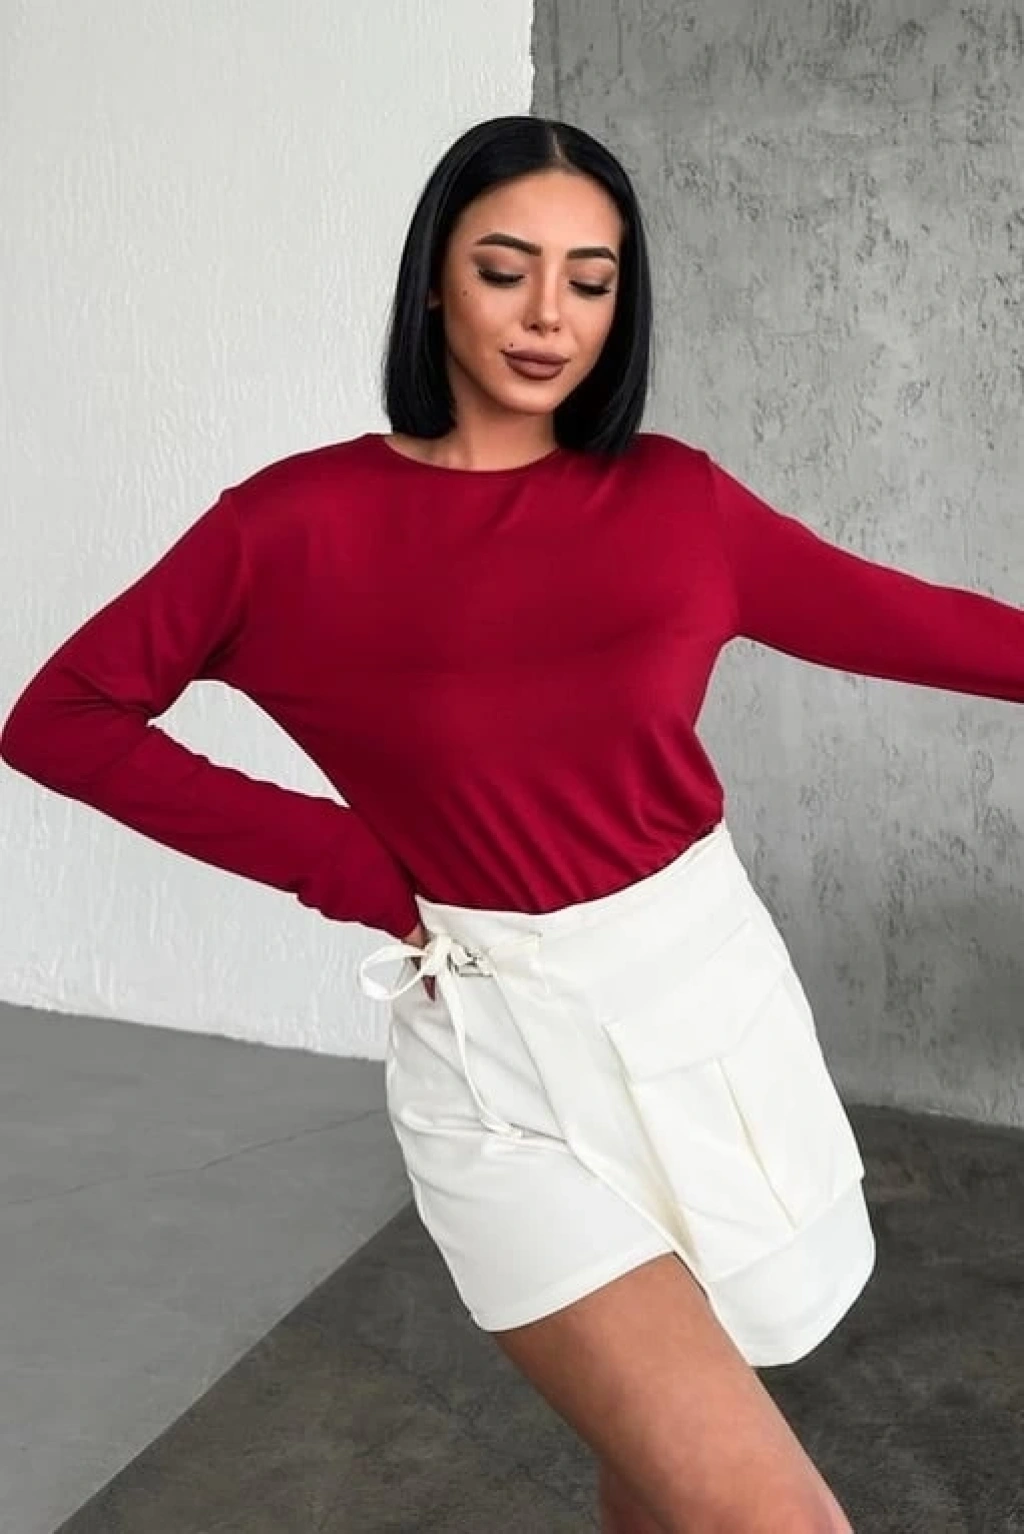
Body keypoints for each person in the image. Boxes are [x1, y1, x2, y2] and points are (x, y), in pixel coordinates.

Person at [3, 114, 1023, 1534]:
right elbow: (59, 716)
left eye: (591, 280)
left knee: (662, 1470)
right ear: (436, 281)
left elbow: (930, 627)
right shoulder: (291, 525)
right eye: (506, 268)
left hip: (709, 1012)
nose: (551, 315)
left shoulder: (676, 500)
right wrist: (338, 861)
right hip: (498, 1069)